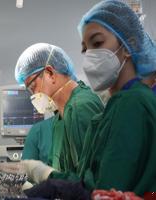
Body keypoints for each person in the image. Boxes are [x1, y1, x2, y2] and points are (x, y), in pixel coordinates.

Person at [23, 0, 156, 196]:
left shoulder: (131, 104)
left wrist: (50, 180)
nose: (90, 55)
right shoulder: (121, 104)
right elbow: (90, 179)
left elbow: (103, 190)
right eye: (85, 49)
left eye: (98, 43)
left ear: (130, 45)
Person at [15, 43, 104, 180]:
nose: (33, 95)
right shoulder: (60, 117)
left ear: (50, 73)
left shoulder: (80, 108)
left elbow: (91, 181)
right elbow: (59, 169)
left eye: (33, 86)